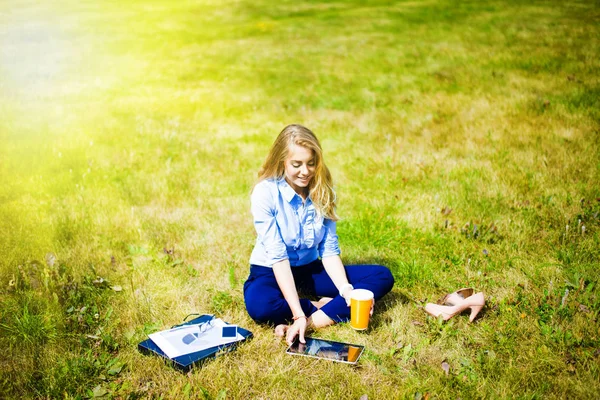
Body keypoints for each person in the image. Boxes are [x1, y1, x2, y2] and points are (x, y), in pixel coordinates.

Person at [243, 124, 394, 345]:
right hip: (271, 270)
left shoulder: (323, 191)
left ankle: (316, 318)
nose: (305, 172)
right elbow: (277, 256)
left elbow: (329, 251)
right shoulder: (265, 193)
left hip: (308, 270)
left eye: (311, 164)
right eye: (297, 164)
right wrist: (298, 313)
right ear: (282, 161)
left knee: (381, 277)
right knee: (261, 306)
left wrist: (345, 291)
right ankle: (321, 307)